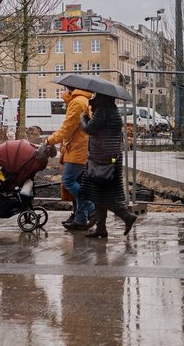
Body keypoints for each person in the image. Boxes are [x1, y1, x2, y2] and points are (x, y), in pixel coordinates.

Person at [67, 93, 137, 238]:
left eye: (96, 96)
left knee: (104, 196)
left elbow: (89, 129)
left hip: (102, 159)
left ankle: (126, 216)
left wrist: (83, 118)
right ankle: (101, 228)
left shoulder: (103, 110)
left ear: (104, 98)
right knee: (97, 195)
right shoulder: (112, 110)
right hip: (108, 158)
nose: (93, 99)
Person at [36, 86, 94, 228]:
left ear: (70, 89)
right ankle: (80, 219)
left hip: (76, 149)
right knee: (79, 183)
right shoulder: (82, 100)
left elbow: (67, 130)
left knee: (68, 181)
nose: (63, 91)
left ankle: (92, 209)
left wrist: (48, 140)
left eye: (65, 89)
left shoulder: (77, 102)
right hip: (79, 147)